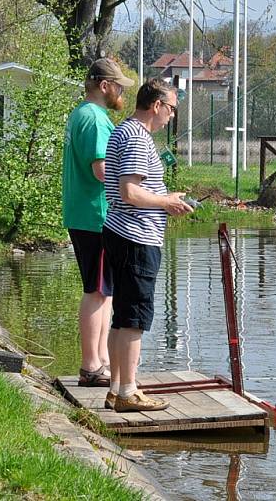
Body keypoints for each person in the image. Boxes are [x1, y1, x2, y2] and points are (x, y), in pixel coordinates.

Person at [102, 78, 193, 412]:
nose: (171, 116)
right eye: (171, 109)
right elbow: (130, 192)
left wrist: (165, 199)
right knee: (134, 318)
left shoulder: (123, 130)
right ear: (156, 105)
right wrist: (166, 201)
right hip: (135, 237)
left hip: (119, 232)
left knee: (121, 317)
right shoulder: (139, 140)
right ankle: (128, 392)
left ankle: (115, 389)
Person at [62, 58, 134, 387]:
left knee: (105, 291)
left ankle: (102, 360)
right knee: (95, 291)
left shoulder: (84, 114)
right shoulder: (93, 119)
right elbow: (101, 170)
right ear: (104, 86)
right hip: (96, 216)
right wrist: (133, 191)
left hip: (88, 213)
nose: (121, 92)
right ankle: (91, 366)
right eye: (118, 86)